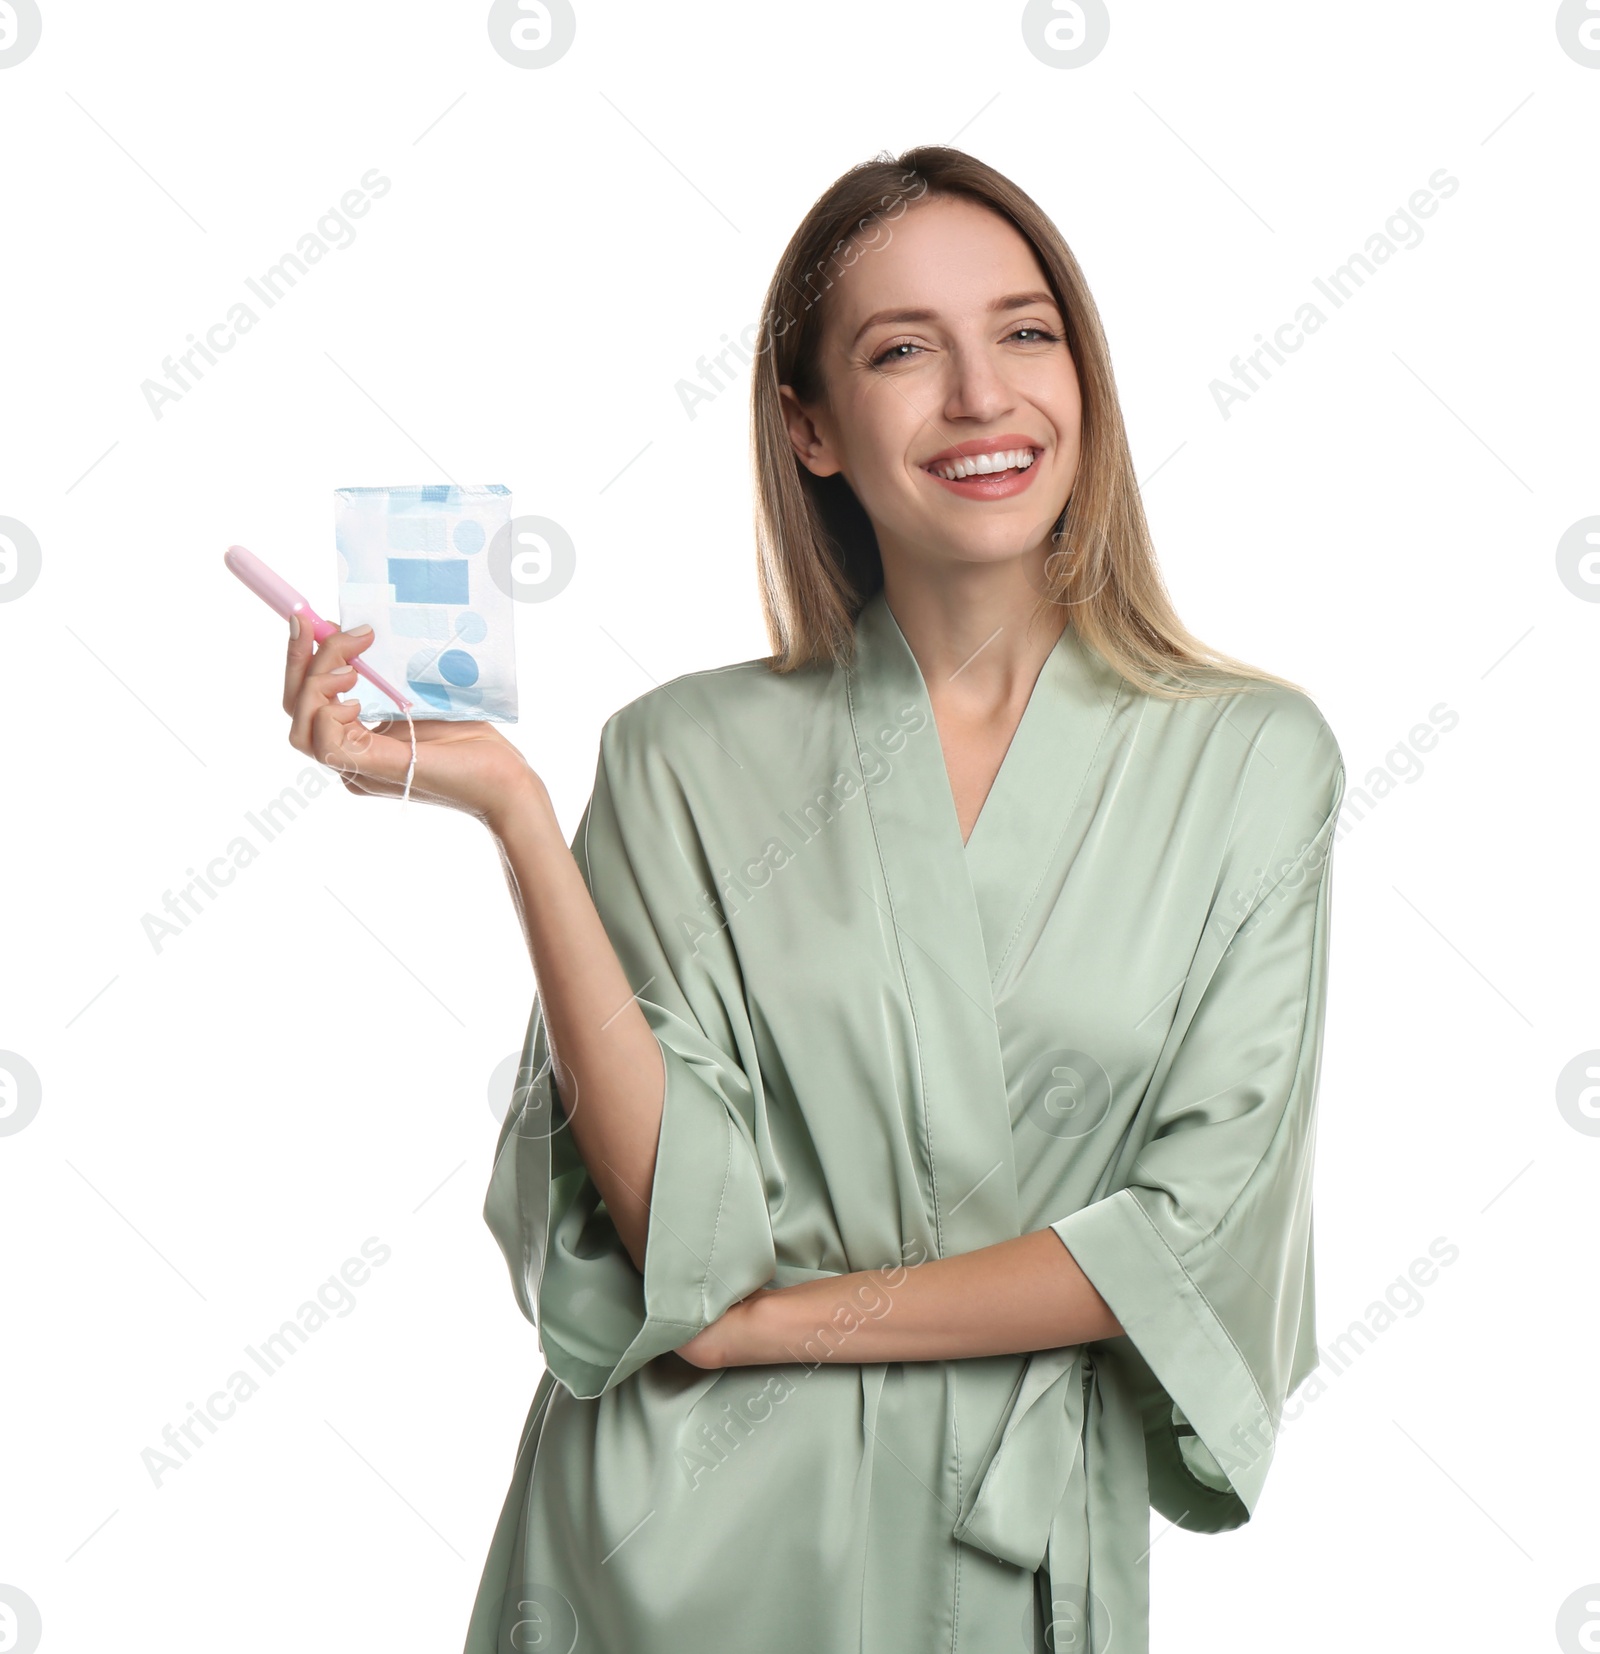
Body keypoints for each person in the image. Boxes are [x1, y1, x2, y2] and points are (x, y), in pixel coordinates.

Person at [283, 145, 1346, 1654]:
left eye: (1026, 331)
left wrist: (786, 1322)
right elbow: (671, 1224)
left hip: (1001, 1547)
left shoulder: (1250, 758)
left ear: (1086, 378)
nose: (984, 397)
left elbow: (1186, 1239)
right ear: (812, 426)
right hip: (671, 1542)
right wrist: (517, 815)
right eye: (904, 351)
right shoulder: (680, 756)